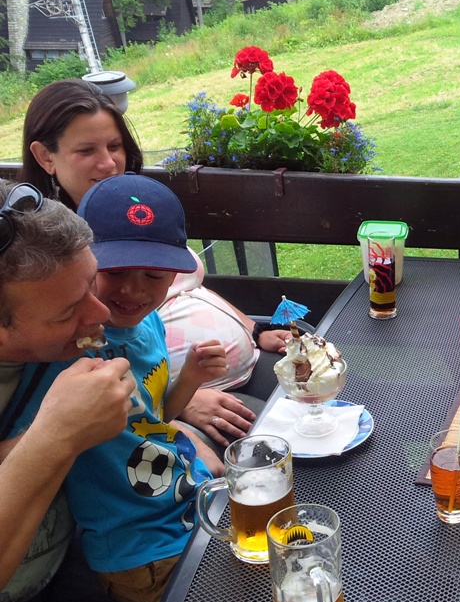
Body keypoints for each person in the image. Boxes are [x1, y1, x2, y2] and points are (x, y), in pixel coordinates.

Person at [20, 78, 291, 448]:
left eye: (115, 146)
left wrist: (254, 329)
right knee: (282, 438)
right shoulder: (49, 257)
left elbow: (191, 286)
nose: (108, 162)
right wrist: (179, 408)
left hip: (197, 377)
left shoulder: (139, 212)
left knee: (312, 389)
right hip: (178, 406)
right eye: (86, 150)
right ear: (45, 156)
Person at [9, 173, 226, 602]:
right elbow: (31, 445)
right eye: (113, 274)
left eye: (154, 276)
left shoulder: (148, 325)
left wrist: (189, 385)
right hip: (138, 546)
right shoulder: (60, 363)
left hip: (190, 501)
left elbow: (152, 415)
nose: (128, 294)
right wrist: (59, 432)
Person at [0, 183, 140, 602]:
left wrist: (182, 400)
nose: (100, 314)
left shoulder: (58, 338)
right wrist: (56, 437)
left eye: (91, 283)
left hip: (64, 555)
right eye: (67, 313)